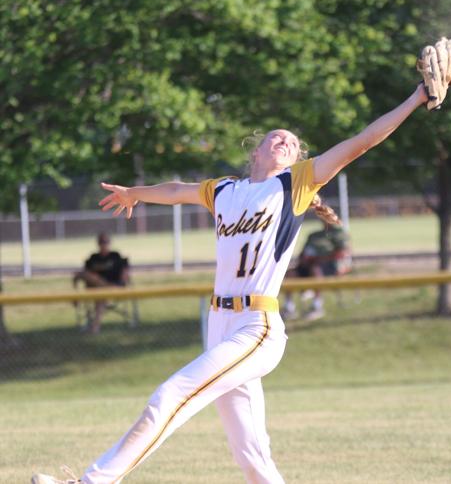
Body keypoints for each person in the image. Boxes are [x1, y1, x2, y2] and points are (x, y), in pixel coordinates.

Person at [32, 83, 429, 484]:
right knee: (253, 458)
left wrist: (414, 99)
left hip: (256, 327)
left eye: (292, 144)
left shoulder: (295, 184)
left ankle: (92, 481)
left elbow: (360, 142)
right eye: (277, 137)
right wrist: (134, 193)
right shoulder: (224, 190)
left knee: (169, 397)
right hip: (219, 324)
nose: (285, 142)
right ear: (255, 152)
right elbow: (175, 191)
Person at [283, 217, 351, 320]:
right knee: (289, 274)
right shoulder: (314, 235)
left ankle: (317, 306)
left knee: (315, 270)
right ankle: (289, 307)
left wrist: (319, 258)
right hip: (306, 265)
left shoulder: (339, 234)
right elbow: (302, 253)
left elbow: (342, 253)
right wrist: (303, 259)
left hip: (326, 266)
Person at [73, 232, 129, 334]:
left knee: (99, 293)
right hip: (97, 289)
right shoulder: (93, 258)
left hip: (112, 286)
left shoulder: (115, 256)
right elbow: (84, 273)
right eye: (101, 242)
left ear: (109, 243)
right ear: (97, 243)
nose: (103, 244)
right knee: (80, 276)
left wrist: (123, 281)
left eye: (105, 242)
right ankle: (94, 326)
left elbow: (125, 274)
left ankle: (95, 327)